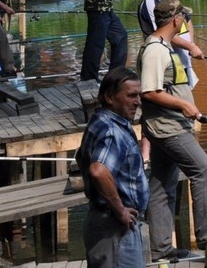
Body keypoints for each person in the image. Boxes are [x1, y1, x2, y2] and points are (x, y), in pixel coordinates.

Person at [137, 0, 207, 261]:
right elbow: (149, 92)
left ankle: (161, 248)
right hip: (167, 128)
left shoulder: (164, 45)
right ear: (175, 20)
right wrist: (183, 104)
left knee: (162, 183)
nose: (185, 20)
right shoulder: (155, 50)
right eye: (183, 16)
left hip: (167, 126)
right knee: (203, 170)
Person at [76, 67, 149, 267]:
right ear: (109, 96)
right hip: (114, 227)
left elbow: (82, 158)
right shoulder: (112, 131)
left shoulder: (100, 121)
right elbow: (98, 171)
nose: (138, 101)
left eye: (139, 96)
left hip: (106, 223)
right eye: (131, 96)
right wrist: (120, 210)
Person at [137, 0, 204, 163]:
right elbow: (161, 32)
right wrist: (190, 46)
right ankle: (146, 154)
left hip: (178, 62)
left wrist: (190, 44)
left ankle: (183, 147)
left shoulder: (175, 5)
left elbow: (188, 22)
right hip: (162, 63)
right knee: (154, 106)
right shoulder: (151, 3)